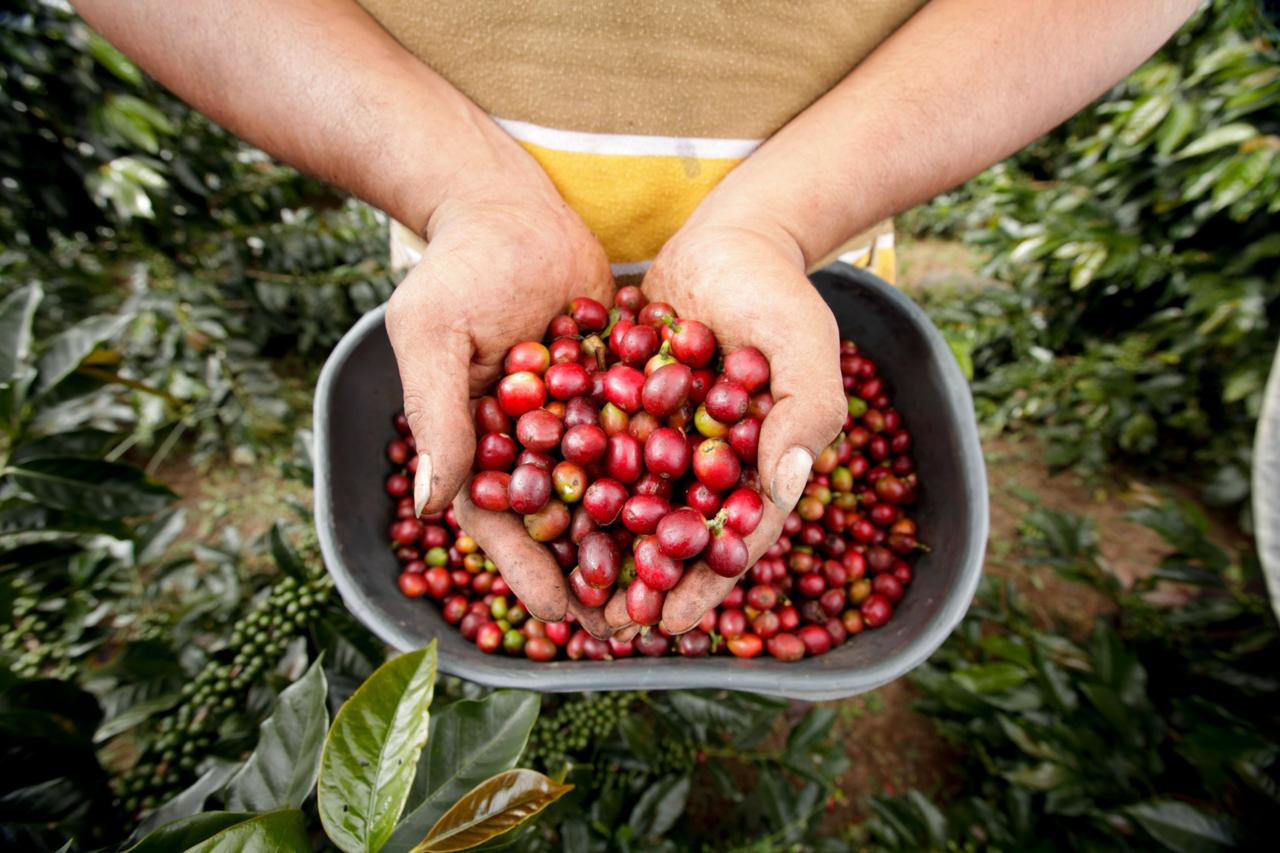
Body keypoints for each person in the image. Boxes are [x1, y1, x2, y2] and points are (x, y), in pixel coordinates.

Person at [74, 0, 1199, 641]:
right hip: (472, 249)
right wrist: (450, 185)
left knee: (787, 484)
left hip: (805, 257)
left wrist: (783, 220)